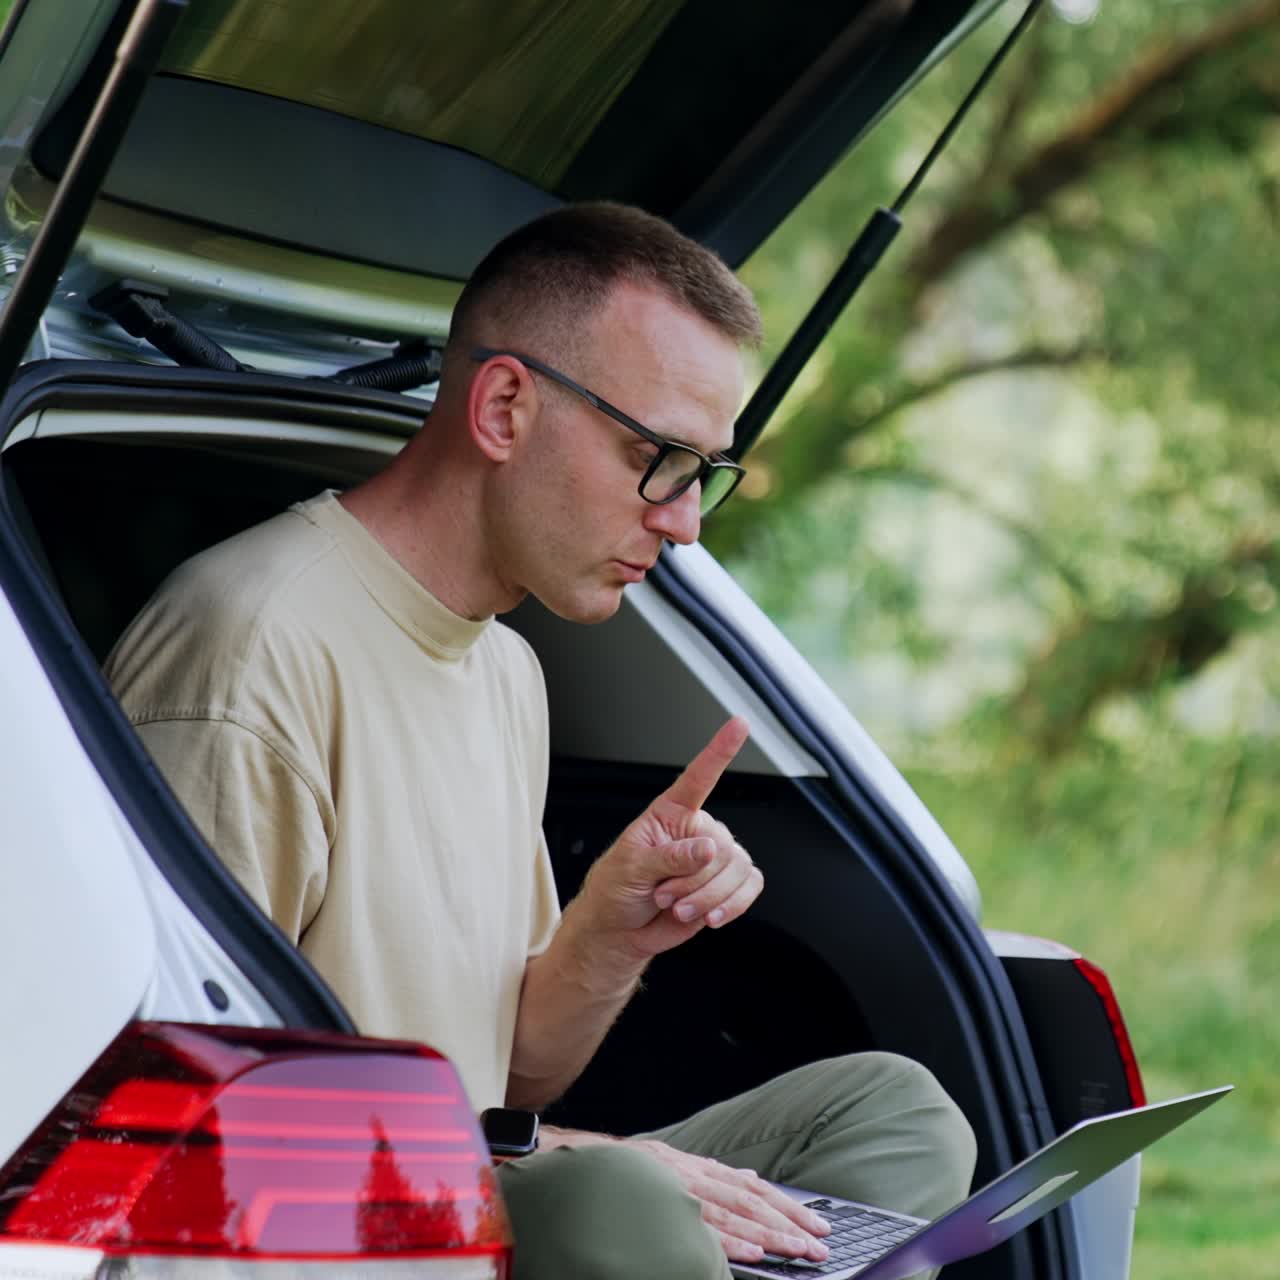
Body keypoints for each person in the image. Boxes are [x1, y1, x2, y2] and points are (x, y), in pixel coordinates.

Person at [105, 202, 975, 1279]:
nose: (686, 518)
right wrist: (528, 1154)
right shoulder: (250, 644)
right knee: (614, 1197)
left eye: (702, 470)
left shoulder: (506, 668)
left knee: (898, 1111)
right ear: (506, 406)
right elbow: (163, 1125)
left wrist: (609, 932)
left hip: (467, 1196)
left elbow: (508, 1072)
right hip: (317, 1241)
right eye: (656, 455)